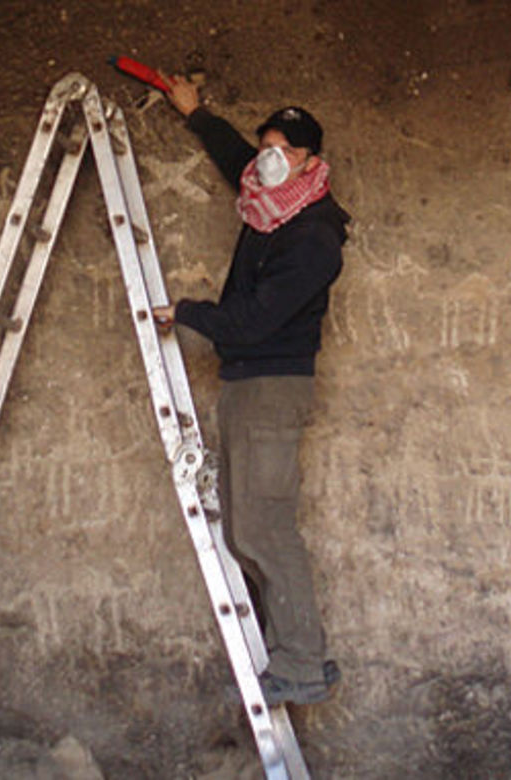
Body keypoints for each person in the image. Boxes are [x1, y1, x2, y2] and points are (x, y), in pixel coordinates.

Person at [152, 74, 349, 706]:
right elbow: (238, 159)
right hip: (244, 382)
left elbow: (255, 320)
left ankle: (302, 663)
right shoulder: (269, 196)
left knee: (266, 531)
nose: (269, 159)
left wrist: (186, 312)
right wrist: (195, 112)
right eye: (268, 145)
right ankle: (283, 650)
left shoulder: (314, 236)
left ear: (311, 163)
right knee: (242, 532)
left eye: (285, 151)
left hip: (272, 387)